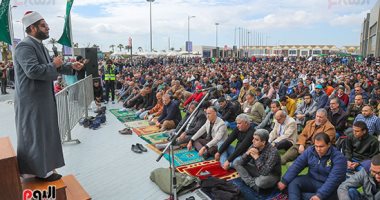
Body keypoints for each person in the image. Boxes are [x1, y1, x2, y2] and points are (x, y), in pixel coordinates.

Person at [14, 11, 83, 181]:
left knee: (44, 134)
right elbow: (33, 71)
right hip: (31, 101)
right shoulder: (25, 46)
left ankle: (43, 169)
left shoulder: (38, 45)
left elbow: (54, 67)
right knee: (34, 135)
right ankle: (38, 171)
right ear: (32, 27)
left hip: (41, 100)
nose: (48, 28)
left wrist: (71, 66)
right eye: (44, 25)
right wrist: (54, 64)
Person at [277, 132, 347, 200]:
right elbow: (297, 165)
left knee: (305, 195)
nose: (318, 149)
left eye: (321, 146)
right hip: (311, 180)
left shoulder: (339, 158)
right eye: (316, 146)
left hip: (328, 186)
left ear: (329, 144)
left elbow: (333, 180)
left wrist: (320, 195)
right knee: (293, 182)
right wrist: (284, 181)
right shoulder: (310, 151)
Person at [232, 129, 281, 197]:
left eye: (256, 139)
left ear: (263, 142)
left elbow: (265, 172)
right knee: (236, 162)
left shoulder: (273, 152)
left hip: (271, 175)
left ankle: (252, 181)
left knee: (261, 182)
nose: (253, 141)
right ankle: (253, 184)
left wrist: (257, 158)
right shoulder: (253, 146)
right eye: (253, 138)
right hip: (257, 170)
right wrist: (246, 154)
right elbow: (241, 162)